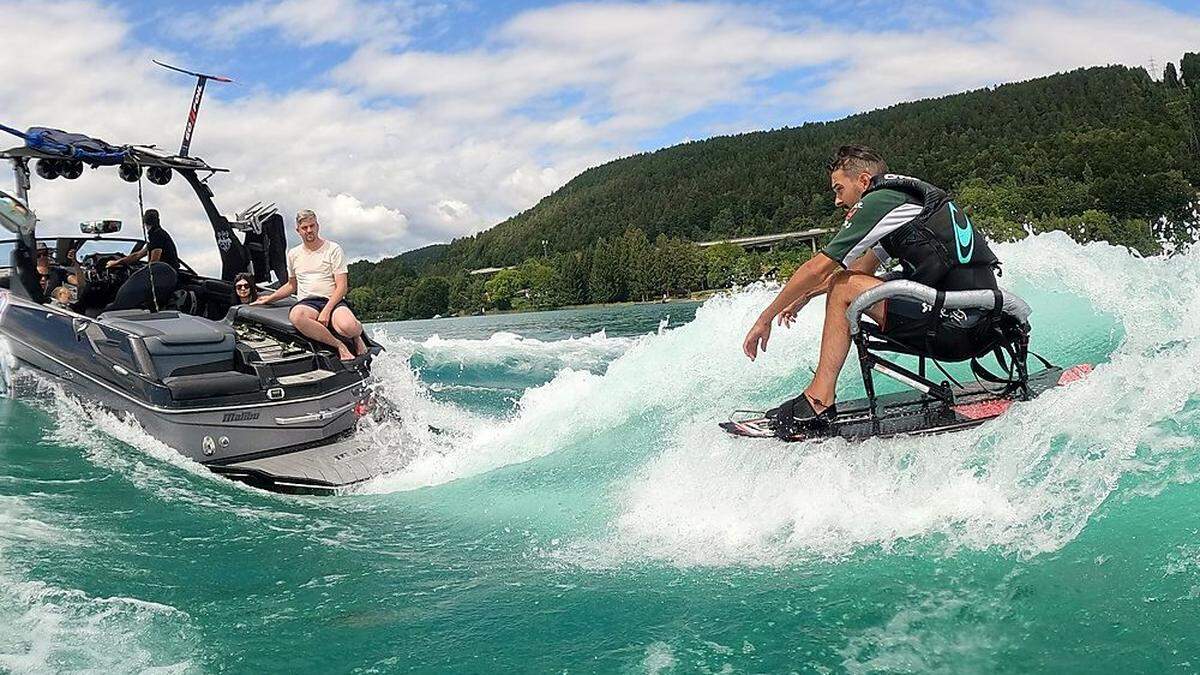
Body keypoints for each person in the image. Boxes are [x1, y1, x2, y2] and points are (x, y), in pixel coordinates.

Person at [741, 145, 1001, 433]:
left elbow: (820, 268)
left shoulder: (881, 199)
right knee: (859, 283)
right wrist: (803, 297)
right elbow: (860, 272)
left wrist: (764, 319)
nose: (837, 200)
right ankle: (820, 396)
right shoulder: (904, 204)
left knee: (842, 287)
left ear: (864, 182)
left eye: (839, 189)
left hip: (955, 327)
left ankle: (818, 400)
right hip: (979, 320)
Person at [253, 209, 367, 361]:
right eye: (305, 228)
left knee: (348, 327)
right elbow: (292, 285)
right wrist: (269, 298)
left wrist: (326, 311)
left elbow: (342, 287)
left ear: (317, 226)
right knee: (296, 316)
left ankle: (357, 335)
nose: (309, 230)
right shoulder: (293, 254)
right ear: (298, 230)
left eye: (312, 226)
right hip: (309, 303)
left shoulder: (333, 249)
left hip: (332, 300)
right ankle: (339, 345)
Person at [104, 209, 180, 312]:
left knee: (112, 308)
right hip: (167, 277)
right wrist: (116, 262)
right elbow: (137, 256)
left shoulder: (157, 235)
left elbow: (154, 263)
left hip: (164, 278)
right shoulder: (157, 235)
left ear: (144, 222)